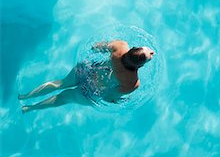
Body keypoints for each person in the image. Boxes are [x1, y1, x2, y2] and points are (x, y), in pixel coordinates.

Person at [18, 40, 155, 113]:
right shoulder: (132, 82)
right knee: (63, 98)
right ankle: (30, 108)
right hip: (91, 90)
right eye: (150, 54)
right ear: (140, 66)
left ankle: (25, 96)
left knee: (61, 83)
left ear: (133, 48)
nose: (152, 51)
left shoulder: (120, 46)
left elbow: (96, 47)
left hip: (88, 69)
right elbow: (109, 97)